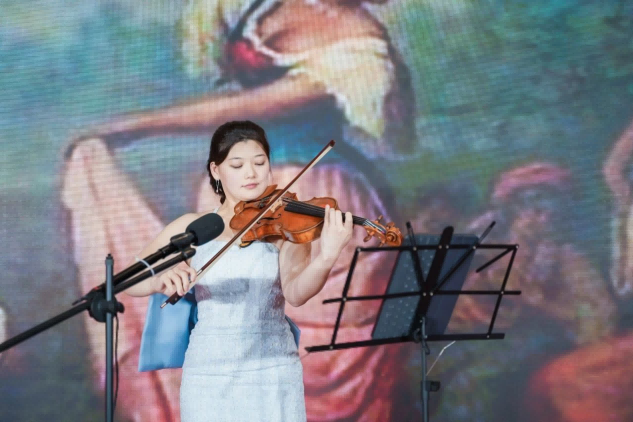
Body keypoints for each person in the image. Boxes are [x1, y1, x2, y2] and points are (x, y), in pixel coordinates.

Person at [123, 120, 353, 422]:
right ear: (216, 171)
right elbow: (128, 280)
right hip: (209, 373)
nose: (251, 173)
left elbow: (296, 293)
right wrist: (157, 280)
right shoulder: (193, 226)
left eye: (260, 162)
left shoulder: (284, 224)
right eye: (237, 165)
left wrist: (327, 256)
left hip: (273, 371)